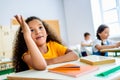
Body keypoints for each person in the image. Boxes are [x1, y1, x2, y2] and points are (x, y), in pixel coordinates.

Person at [13, 15, 78, 72]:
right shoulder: (26, 55)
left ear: (46, 33)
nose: (38, 32)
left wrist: (48, 62)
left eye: (40, 27)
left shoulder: (53, 45)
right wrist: (27, 36)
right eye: (31, 30)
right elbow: (42, 66)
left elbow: (75, 55)